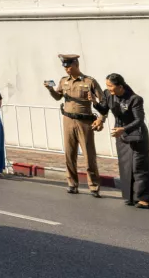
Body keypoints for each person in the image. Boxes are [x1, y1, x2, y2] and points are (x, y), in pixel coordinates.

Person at [45, 53, 104, 196]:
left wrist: (101, 118)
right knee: (69, 154)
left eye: (69, 67)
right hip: (68, 120)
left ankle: (94, 185)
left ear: (76, 65)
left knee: (89, 155)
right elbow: (58, 97)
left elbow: (103, 102)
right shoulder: (64, 81)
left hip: (85, 121)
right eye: (65, 67)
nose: (67, 70)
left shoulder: (90, 82)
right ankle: (72, 183)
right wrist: (50, 89)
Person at [92, 73, 149, 209]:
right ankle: (130, 197)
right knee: (126, 166)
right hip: (121, 136)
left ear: (120, 86)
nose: (108, 88)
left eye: (110, 86)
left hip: (137, 136)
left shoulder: (135, 99)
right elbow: (104, 109)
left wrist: (123, 129)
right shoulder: (108, 94)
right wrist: (94, 102)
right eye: (107, 85)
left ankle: (144, 199)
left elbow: (139, 120)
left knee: (139, 167)